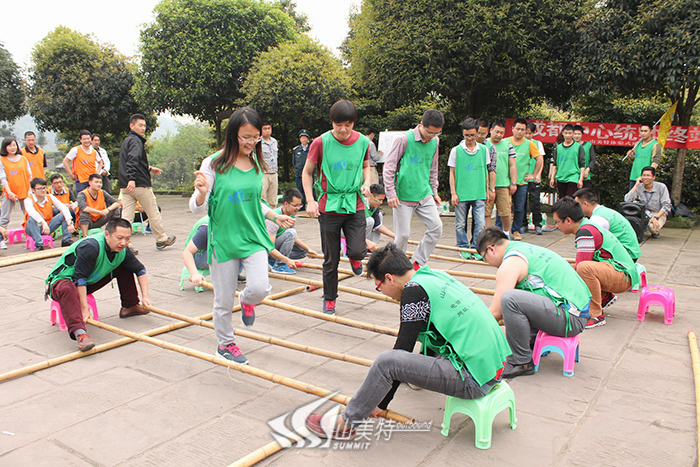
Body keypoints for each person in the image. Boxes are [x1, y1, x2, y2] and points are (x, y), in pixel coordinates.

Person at [304, 243, 512, 439]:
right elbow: (436, 330)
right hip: (493, 367)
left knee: (386, 362)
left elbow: (401, 352)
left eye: (378, 286)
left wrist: (381, 403)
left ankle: (347, 422)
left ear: (389, 278)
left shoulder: (414, 292)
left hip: (474, 379)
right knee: (399, 361)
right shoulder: (433, 276)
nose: (383, 293)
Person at [190, 107, 294, 364]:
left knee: (259, 288)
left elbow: (253, 200)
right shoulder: (213, 163)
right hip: (224, 240)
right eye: (245, 137)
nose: (251, 142)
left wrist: (274, 216)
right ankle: (225, 344)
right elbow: (197, 208)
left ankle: (247, 301)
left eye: (255, 137)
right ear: (232, 134)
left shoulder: (257, 162)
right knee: (223, 301)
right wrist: (202, 192)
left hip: (252, 236)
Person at [477, 226, 591, 378]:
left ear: (491, 249)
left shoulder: (510, 263)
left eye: (485, 258)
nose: (488, 263)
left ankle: (521, 362)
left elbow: (496, 312)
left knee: (510, 299)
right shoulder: (522, 249)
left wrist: (471, 333)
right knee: (519, 297)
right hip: (578, 312)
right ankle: (531, 342)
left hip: (571, 319)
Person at [302, 99, 371, 315]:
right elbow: (307, 172)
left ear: (353, 123)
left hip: (355, 203)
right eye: (338, 124)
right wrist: (310, 200)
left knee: (358, 249)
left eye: (347, 125)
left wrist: (367, 183)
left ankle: (354, 257)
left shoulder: (363, 142)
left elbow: (366, 166)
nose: (342, 130)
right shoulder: (320, 143)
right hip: (329, 207)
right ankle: (330, 298)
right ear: (331, 122)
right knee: (331, 259)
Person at [45, 218, 151, 351]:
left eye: (127, 239)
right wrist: (84, 308)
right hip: (61, 283)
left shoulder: (123, 250)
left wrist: (145, 296)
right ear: (107, 234)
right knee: (68, 287)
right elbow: (80, 279)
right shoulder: (91, 246)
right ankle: (80, 333)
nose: (123, 243)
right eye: (119, 238)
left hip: (87, 281)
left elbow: (140, 270)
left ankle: (130, 306)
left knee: (124, 266)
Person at [552, 197, 640, 329]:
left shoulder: (585, 232)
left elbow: (580, 268)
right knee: (580, 268)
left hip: (623, 275)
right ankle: (605, 297)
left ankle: (595, 315)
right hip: (621, 272)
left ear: (568, 220)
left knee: (583, 268)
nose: (556, 226)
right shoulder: (587, 225)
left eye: (557, 222)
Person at [383, 109, 445, 270]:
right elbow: (389, 167)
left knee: (436, 227)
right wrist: (390, 193)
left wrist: (434, 191)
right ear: (422, 125)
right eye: (430, 132)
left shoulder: (435, 141)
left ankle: (418, 261)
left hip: (424, 193)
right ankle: (396, 267)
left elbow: (433, 168)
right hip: (403, 195)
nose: (432, 136)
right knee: (402, 236)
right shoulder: (404, 139)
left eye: (437, 133)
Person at [118, 113, 176, 251]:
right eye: (140, 125)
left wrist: (149, 168)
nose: (143, 128)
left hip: (126, 186)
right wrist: (132, 179)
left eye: (144, 125)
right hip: (139, 184)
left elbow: (132, 162)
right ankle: (161, 239)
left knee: (126, 217)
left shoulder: (127, 141)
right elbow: (133, 160)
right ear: (131, 126)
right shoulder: (136, 141)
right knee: (153, 212)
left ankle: (124, 244)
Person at [448, 117, 495, 258]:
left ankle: (476, 248)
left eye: (472, 135)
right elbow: (452, 173)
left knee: (480, 223)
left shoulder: (484, 150)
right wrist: (453, 193)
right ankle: (463, 247)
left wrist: (488, 189)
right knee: (460, 224)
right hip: (461, 193)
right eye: (466, 135)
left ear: (477, 133)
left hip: (479, 193)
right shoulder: (456, 151)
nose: (469, 138)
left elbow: (486, 171)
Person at [574, 188, 641, 261]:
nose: (575, 209)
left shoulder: (597, 218)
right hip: (632, 252)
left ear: (585, 204)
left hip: (626, 256)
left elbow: (589, 244)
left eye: (577, 205)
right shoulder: (604, 211)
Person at [182, 216, 246, 287]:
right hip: (197, 257)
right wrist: (194, 274)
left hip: (215, 249)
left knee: (244, 246)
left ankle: (233, 274)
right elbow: (187, 252)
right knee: (229, 250)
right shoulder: (206, 229)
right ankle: (225, 278)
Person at [265, 188, 317, 274]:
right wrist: (286, 260)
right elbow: (269, 247)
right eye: (295, 205)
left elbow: (294, 237)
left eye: (300, 205)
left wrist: (308, 249)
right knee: (291, 233)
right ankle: (278, 264)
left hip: (277, 244)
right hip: (267, 248)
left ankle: (279, 259)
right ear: (286, 204)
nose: (298, 208)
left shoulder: (292, 214)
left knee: (303, 252)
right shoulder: (274, 218)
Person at [507, 118, 543, 240]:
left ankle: (516, 230)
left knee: (519, 208)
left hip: (522, 182)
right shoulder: (505, 142)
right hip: (506, 182)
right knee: (504, 208)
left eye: (522, 130)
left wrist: (534, 175)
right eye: (518, 129)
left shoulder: (529, 144)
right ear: (512, 129)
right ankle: (502, 231)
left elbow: (539, 159)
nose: (520, 132)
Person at [483, 121, 517, 236]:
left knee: (505, 211)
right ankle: (487, 235)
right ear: (491, 130)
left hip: (503, 184)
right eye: (497, 132)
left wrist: (513, 182)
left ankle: (506, 233)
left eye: (502, 133)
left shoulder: (508, 145)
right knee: (486, 212)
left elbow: (512, 165)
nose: (499, 135)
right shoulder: (484, 144)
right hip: (486, 186)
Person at [23, 177, 75, 249]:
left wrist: (69, 222)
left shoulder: (49, 197)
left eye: (44, 188)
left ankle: (66, 240)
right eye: (39, 188)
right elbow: (32, 212)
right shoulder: (28, 200)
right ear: (33, 190)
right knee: (32, 219)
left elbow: (63, 207)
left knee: (64, 215)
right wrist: (43, 223)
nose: (43, 190)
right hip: (33, 228)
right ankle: (39, 245)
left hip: (47, 227)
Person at [0, 137, 32, 248]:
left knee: (29, 215)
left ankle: (31, 236)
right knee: (4, 217)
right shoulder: (2, 160)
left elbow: (29, 175)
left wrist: (29, 190)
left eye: (14, 145)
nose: (12, 148)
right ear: (5, 147)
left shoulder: (23, 159)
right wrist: (9, 192)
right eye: (10, 146)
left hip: (25, 191)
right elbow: (3, 178)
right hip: (9, 192)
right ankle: (1, 239)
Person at [624, 166, 672, 239]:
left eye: (648, 175)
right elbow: (627, 200)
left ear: (654, 177)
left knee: (653, 227)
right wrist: (636, 185)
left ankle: (655, 232)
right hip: (643, 212)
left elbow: (667, 205)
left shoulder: (661, 187)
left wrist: (656, 217)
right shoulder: (639, 186)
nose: (645, 177)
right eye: (644, 175)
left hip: (657, 213)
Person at [549, 124, 585, 199]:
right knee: (562, 199)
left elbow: (582, 164)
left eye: (570, 133)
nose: (567, 135)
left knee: (570, 199)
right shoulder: (558, 147)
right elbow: (555, 164)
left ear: (573, 134)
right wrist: (552, 178)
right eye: (566, 133)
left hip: (573, 177)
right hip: (561, 177)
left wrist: (580, 179)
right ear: (562, 133)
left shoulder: (578, 147)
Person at [63, 130, 103, 194]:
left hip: (93, 181)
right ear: (80, 140)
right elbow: (65, 161)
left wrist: (97, 174)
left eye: (88, 138)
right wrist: (71, 174)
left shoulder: (94, 152)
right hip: (81, 180)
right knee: (82, 197)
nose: (87, 141)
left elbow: (100, 162)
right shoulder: (76, 150)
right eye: (84, 139)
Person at [626, 123, 662, 191]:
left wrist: (647, 175)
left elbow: (656, 161)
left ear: (651, 131)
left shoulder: (655, 144)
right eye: (641, 131)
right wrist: (631, 155)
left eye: (645, 131)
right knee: (632, 197)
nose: (643, 133)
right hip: (634, 177)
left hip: (647, 179)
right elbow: (636, 158)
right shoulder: (637, 143)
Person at [523, 122, 544, 235]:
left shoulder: (537, 143)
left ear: (533, 133)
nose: (527, 135)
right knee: (521, 203)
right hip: (522, 178)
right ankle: (523, 224)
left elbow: (541, 160)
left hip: (533, 178)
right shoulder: (519, 143)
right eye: (525, 133)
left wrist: (537, 175)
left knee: (535, 202)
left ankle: (537, 224)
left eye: (529, 133)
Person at [364, 184, 394, 248]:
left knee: (379, 215)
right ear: (371, 196)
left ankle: (374, 245)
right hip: (353, 231)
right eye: (380, 200)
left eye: (382, 200)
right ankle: (364, 246)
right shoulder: (361, 204)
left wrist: (394, 236)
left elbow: (377, 225)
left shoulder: (375, 205)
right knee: (370, 221)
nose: (381, 202)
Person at [260, 121, 279, 207]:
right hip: (263, 173)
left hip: (274, 172)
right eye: (265, 129)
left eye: (269, 128)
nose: (267, 131)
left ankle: (273, 214)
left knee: (273, 199)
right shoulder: (258, 142)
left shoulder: (274, 141)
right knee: (262, 197)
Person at [292, 130, 311, 210]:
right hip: (299, 173)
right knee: (300, 190)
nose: (304, 139)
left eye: (305, 138)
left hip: (309, 173)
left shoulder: (311, 148)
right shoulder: (296, 150)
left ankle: (311, 205)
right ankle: (301, 205)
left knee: (310, 190)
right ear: (300, 139)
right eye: (302, 138)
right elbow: (294, 162)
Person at [572, 125, 595, 190]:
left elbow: (593, 160)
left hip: (586, 176)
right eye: (575, 134)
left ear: (582, 134)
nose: (577, 136)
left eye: (579, 134)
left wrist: (587, 169)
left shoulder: (588, 145)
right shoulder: (569, 146)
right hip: (573, 177)